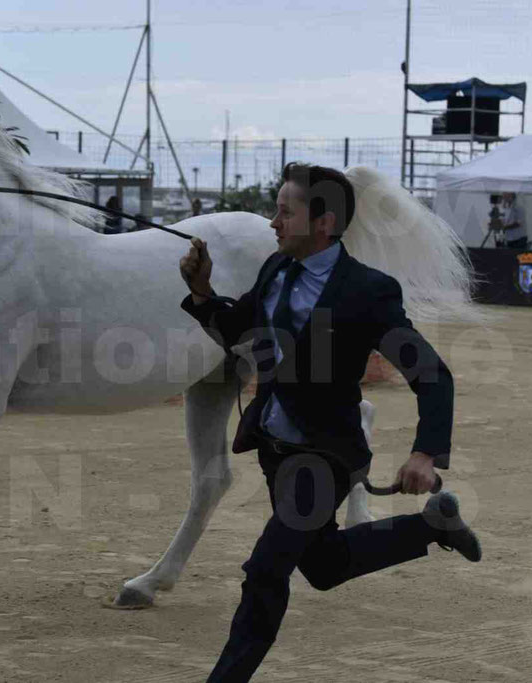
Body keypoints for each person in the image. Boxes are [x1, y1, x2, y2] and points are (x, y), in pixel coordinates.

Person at [178, 163, 482, 682]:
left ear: (324, 223)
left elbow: (431, 374)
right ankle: (433, 526)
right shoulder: (275, 269)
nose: (273, 221)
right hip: (278, 449)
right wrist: (204, 295)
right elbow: (243, 336)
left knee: (266, 570)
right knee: (323, 567)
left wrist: (426, 452)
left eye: (284, 211)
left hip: (325, 456)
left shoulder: (367, 291)